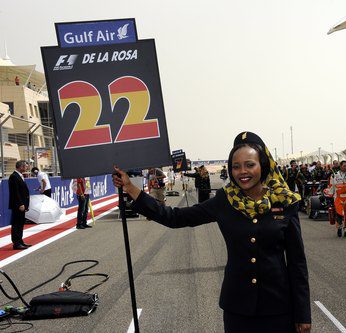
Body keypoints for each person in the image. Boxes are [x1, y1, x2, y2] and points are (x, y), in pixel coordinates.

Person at [112, 132, 311, 333]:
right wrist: (132, 189)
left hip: (278, 309)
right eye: (236, 166)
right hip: (238, 309)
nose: (243, 171)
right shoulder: (225, 201)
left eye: (250, 164)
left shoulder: (285, 202)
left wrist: (303, 314)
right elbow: (175, 217)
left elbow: (297, 263)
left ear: (263, 165)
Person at [9, 160, 31, 250]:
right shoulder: (14, 176)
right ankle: (16, 243)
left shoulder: (20, 176)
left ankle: (20, 241)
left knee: (21, 223)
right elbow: (15, 192)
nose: (27, 168)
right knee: (16, 224)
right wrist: (20, 204)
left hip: (22, 204)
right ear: (20, 167)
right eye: (25, 166)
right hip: (18, 205)